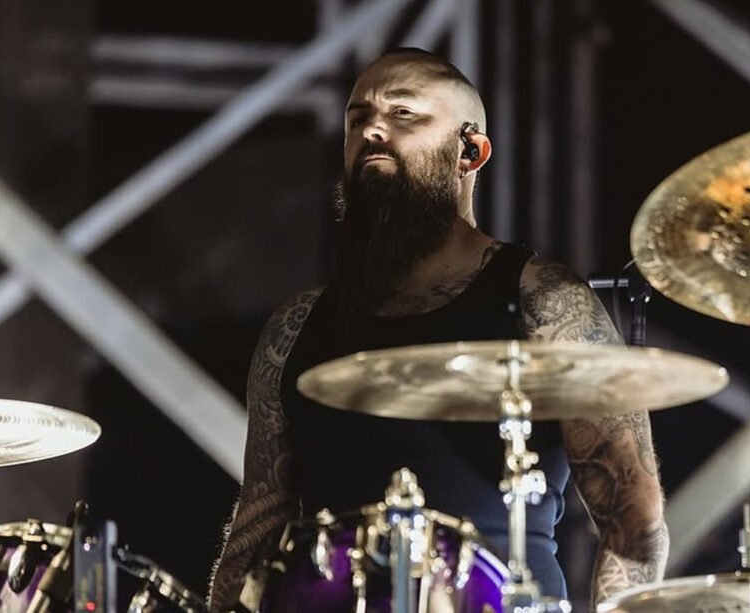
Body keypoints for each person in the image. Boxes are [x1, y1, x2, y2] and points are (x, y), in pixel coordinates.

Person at [208, 48, 668, 611]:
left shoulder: (548, 300)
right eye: (358, 118)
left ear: (470, 152)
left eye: (403, 113)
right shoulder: (296, 326)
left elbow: (633, 517)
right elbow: (256, 532)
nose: (372, 130)